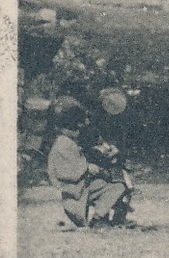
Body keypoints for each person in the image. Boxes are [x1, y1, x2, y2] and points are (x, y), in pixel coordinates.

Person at [46, 98, 133, 229]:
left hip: (82, 184)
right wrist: (89, 167)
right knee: (118, 186)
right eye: (78, 126)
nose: (80, 130)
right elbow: (70, 170)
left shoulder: (68, 141)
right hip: (77, 188)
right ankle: (99, 218)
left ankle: (109, 218)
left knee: (115, 181)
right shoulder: (64, 143)